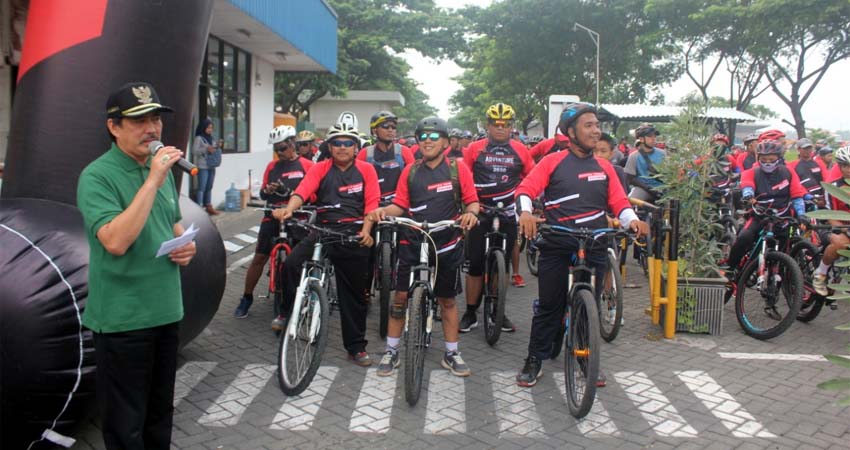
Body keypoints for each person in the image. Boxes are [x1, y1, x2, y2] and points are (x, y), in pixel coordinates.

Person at [76, 82, 196, 449]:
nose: (153, 128)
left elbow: (173, 225)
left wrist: (186, 247)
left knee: (159, 415)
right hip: (123, 319)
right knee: (125, 423)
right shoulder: (97, 176)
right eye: (139, 120)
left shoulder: (159, 170)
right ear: (113, 126)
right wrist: (154, 178)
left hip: (165, 311)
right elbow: (114, 240)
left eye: (156, 118)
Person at [513, 102, 648, 387]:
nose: (596, 130)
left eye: (597, 125)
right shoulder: (552, 162)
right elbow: (525, 190)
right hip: (558, 241)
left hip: (595, 242)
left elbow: (620, 203)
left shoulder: (605, 167)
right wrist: (525, 212)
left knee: (590, 305)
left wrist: (632, 220)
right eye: (588, 125)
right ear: (570, 132)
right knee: (550, 305)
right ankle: (534, 358)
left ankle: (585, 356)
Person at [368, 117, 480, 377]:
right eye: (422, 137)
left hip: (446, 244)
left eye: (433, 137)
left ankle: (452, 353)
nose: (427, 142)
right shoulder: (411, 171)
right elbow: (400, 205)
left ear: (444, 142)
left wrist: (471, 214)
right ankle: (392, 350)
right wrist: (383, 211)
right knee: (400, 297)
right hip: (412, 240)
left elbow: (472, 202)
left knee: (447, 300)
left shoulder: (457, 169)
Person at [273, 123, 379, 366]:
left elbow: (372, 202)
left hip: (352, 233)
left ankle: (355, 347)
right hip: (323, 229)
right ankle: (287, 311)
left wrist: (365, 230)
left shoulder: (366, 170)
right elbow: (302, 191)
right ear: (329, 147)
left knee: (353, 295)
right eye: (337, 143)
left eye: (348, 143)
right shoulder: (320, 168)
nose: (342, 148)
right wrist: (289, 209)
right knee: (290, 265)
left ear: (356, 148)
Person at [459, 102, 535, 333]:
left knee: (500, 266)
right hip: (480, 211)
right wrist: (466, 205)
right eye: (496, 124)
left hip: (508, 212)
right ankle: (471, 311)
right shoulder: (474, 149)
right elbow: (463, 176)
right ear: (488, 125)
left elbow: (532, 178)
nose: (500, 128)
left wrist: (531, 205)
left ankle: (497, 311)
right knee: (475, 266)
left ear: (511, 127)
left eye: (505, 125)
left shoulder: (521, 150)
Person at [234, 125, 313, 326]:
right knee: (259, 256)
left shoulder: (307, 165)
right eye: (277, 149)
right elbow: (262, 195)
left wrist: (291, 193)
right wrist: (268, 190)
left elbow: (314, 194)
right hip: (272, 215)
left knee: (300, 260)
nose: (280, 152)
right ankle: (246, 298)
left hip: (297, 216)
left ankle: (306, 297)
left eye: (284, 147)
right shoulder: (272, 166)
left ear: (293, 143)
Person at [724, 139, 807, 277]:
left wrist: (801, 213)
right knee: (744, 237)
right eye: (764, 159)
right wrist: (749, 196)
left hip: (783, 218)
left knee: (786, 246)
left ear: (779, 159)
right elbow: (747, 185)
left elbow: (797, 196)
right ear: (758, 158)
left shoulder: (788, 172)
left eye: (771, 159)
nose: (768, 162)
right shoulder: (752, 172)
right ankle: (730, 269)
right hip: (759, 216)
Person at [813, 145, 850, 295]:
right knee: (841, 243)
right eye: (846, 166)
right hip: (831, 226)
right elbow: (830, 215)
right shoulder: (833, 187)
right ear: (840, 167)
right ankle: (820, 274)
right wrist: (845, 229)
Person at [358, 111, 415, 202]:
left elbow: (413, 181)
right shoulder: (365, 154)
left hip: (399, 204)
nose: (390, 130)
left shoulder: (404, 152)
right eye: (385, 126)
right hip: (374, 204)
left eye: (393, 127)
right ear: (374, 130)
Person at [624, 123, 666, 202]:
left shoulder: (663, 154)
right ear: (641, 139)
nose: (653, 139)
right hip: (643, 188)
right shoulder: (634, 156)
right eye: (650, 136)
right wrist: (648, 188)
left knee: (674, 206)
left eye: (654, 136)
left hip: (662, 188)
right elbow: (630, 178)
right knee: (630, 201)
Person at [193, 117, 221, 215]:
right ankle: (199, 208)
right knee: (202, 187)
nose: (210, 130)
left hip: (211, 165)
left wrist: (217, 146)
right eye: (208, 127)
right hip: (203, 166)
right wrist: (206, 149)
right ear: (203, 127)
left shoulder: (211, 138)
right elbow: (194, 151)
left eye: (211, 128)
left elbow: (213, 149)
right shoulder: (199, 138)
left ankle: (209, 206)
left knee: (209, 186)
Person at [787, 137, 827, 204]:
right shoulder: (792, 165)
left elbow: (826, 179)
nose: (808, 150)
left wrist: (825, 196)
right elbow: (794, 184)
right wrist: (807, 195)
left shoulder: (819, 163)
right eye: (805, 148)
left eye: (809, 148)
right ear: (799, 149)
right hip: (804, 199)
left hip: (821, 198)